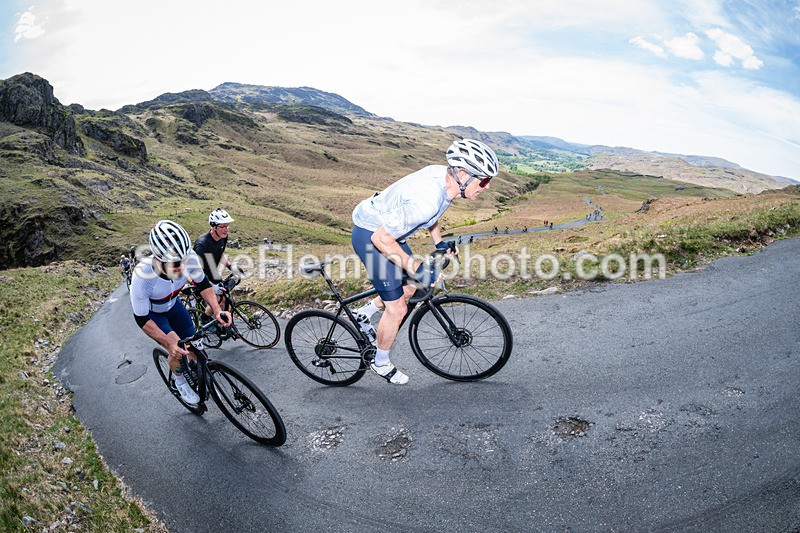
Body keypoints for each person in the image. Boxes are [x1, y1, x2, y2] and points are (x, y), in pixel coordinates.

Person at [351, 138, 498, 385]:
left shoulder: (444, 182)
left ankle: (363, 313)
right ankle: (381, 362)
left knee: (411, 287)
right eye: (483, 180)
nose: (487, 187)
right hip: (371, 236)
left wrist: (439, 244)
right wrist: (419, 270)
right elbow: (382, 239)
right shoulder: (427, 199)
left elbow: (432, 216)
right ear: (463, 173)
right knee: (397, 307)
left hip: (388, 231)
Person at [130, 220, 231, 404]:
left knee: (195, 344)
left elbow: (203, 284)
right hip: (154, 316)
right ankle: (180, 381)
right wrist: (170, 343)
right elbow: (142, 319)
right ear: (158, 258)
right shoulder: (142, 277)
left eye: (183, 261)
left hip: (174, 306)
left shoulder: (188, 257)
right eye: (175, 264)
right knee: (178, 349)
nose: (182, 268)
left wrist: (217, 310)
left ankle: (198, 369)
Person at [194, 208, 244, 316]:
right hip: (200, 277)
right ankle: (204, 318)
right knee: (216, 301)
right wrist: (211, 286)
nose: (226, 230)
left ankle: (225, 327)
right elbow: (195, 271)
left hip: (213, 274)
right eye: (222, 227)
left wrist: (231, 266)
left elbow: (220, 254)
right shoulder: (202, 244)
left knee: (225, 300)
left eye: (227, 226)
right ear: (214, 226)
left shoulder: (223, 237)